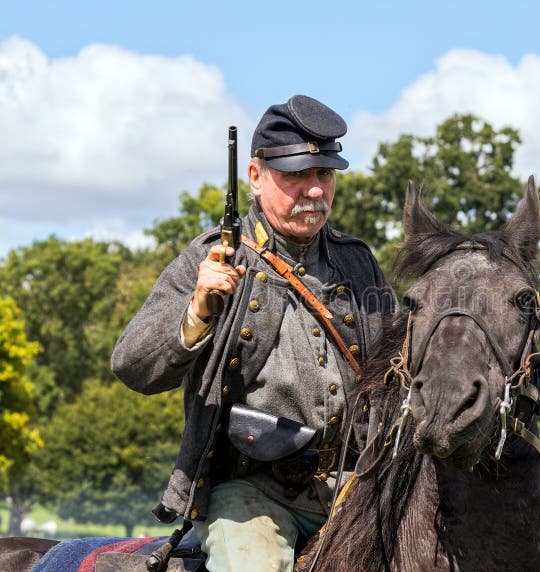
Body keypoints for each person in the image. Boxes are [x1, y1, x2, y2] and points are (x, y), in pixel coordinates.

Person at [111, 95, 395, 571]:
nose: (315, 191)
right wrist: (198, 310)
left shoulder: (358, 262)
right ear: (256, 177)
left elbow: (394, 371)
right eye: (296, 175)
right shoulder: (213, 257)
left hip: (355, 487)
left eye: (324, 174)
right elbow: (132, 366)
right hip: (251, 491)